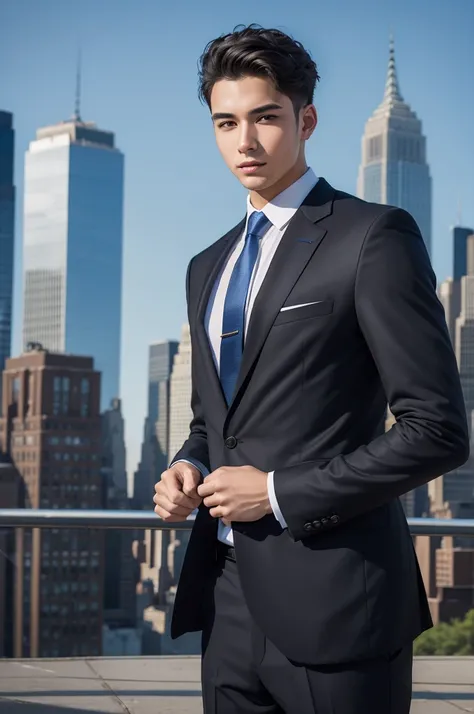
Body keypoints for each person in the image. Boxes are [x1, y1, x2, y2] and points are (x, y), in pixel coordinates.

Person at [153, 24, 469, 714]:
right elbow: (214, 421)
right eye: (226, 122)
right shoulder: (207, 266)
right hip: (226, 600)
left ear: (306, 119)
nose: (246, 141)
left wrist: (278, 493)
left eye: (266, 117)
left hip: (341, 604)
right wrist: (187, 464)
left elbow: (438, 430)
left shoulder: (371, 237)